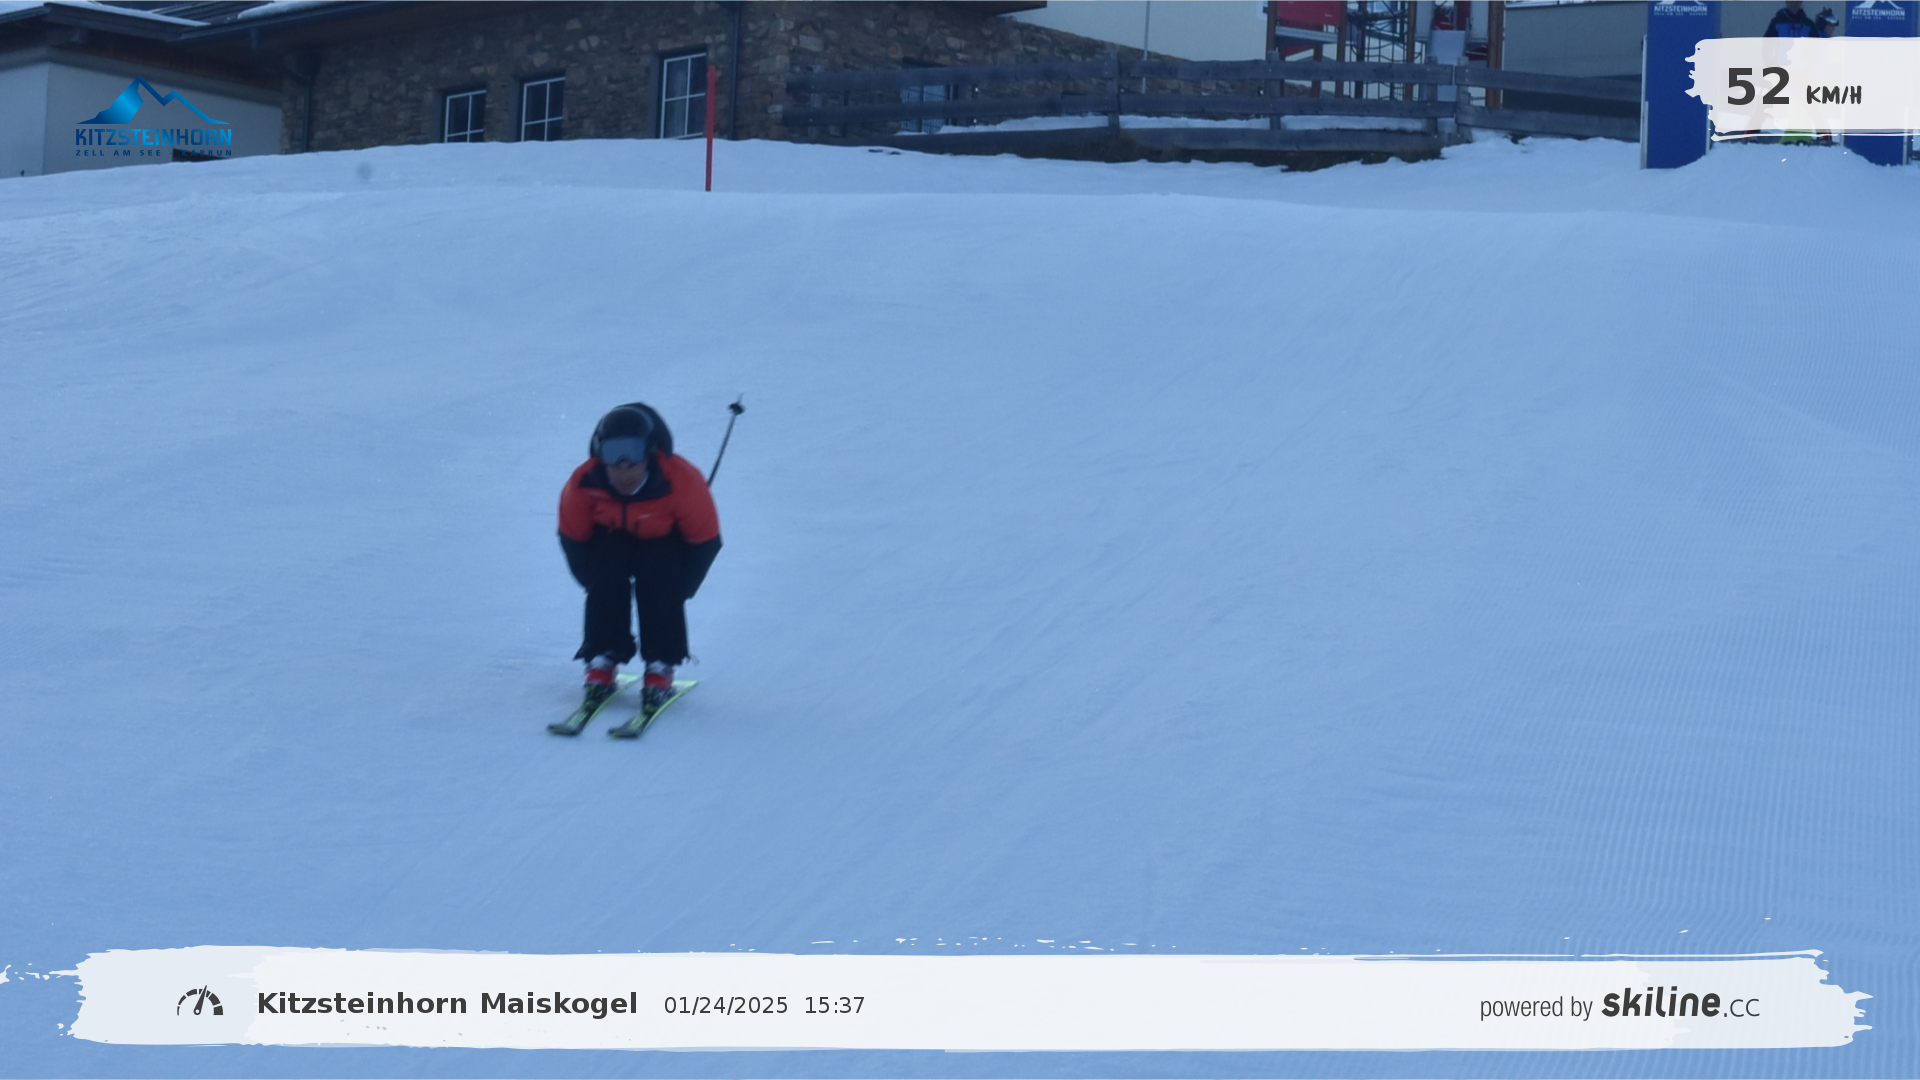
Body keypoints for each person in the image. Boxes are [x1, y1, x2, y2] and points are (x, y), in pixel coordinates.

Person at [558, 403, 721, 715]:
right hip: (610, 544)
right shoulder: (584, 483)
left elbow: (705, 543)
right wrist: (594, 583)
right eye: (612, 455)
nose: (623, 469)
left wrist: (678, 590)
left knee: (660, 572)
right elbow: (574, 541)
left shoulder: (681, 481)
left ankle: (661, 663)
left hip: (663, 546)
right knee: (606, 566)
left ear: (650, 452)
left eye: (633, 455)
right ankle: (603, 656)